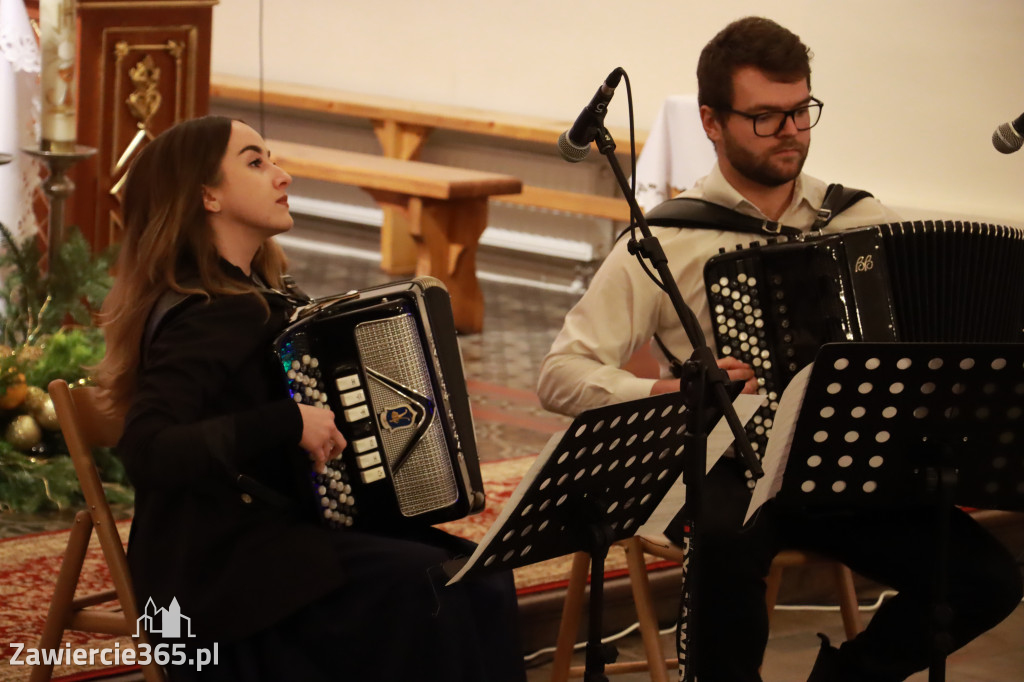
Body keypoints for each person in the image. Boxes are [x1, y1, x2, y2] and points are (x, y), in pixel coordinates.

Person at [538, 16, 1022, 682]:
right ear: (712, 121)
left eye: (801, 111)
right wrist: (664, 392)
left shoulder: (860, 221)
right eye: (766, 117)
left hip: (852, 461)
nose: (791, 131)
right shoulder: (665, 240)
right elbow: (561, 374)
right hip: (730, 462)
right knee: (726, 548)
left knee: (985, 577)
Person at [96, 115, 527, 682]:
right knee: (431, 584)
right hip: (214, 580)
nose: (282, 175)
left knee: (479, 572)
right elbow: (148, 449)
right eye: (255, 162)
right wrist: (286, 422)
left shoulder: (253, 295)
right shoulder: (208, 312)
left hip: (269, 544)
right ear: (208, 195)